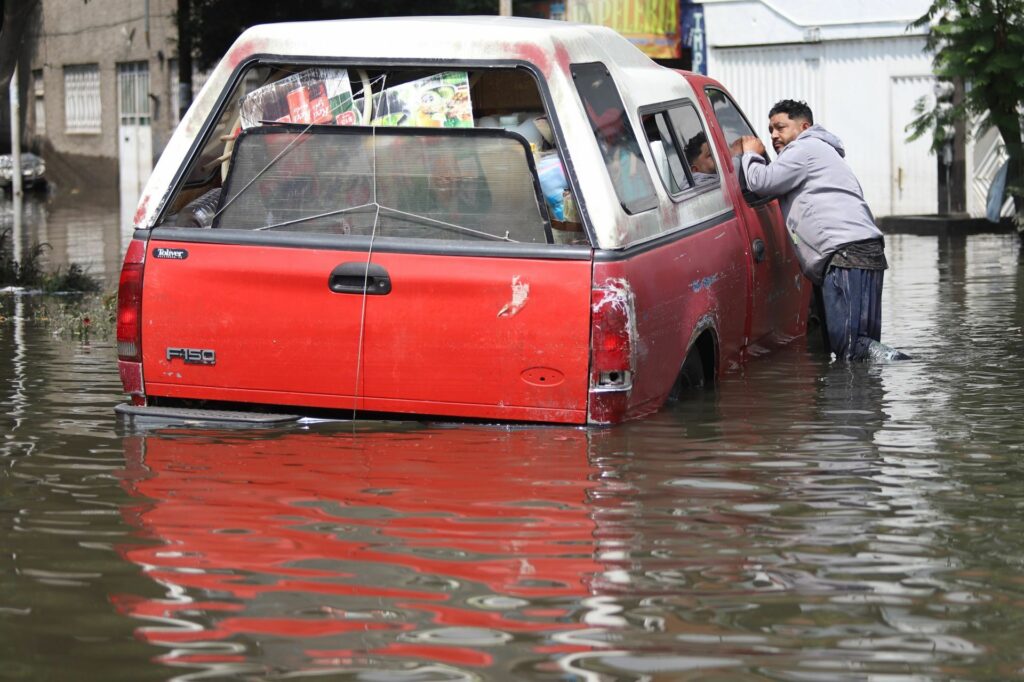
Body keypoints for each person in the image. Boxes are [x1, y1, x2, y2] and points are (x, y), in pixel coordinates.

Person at [738, 99, 907, 361]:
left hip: (844, 255)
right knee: (859, 349)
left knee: (852, 348)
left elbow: (762, 182)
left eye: (780, 127)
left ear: (804, 127)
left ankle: (906, 365)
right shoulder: (824, 152)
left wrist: (749, 154)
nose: (773, 136)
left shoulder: (803, 149)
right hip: (865, 251)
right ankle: (875, 384)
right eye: (770, 129)